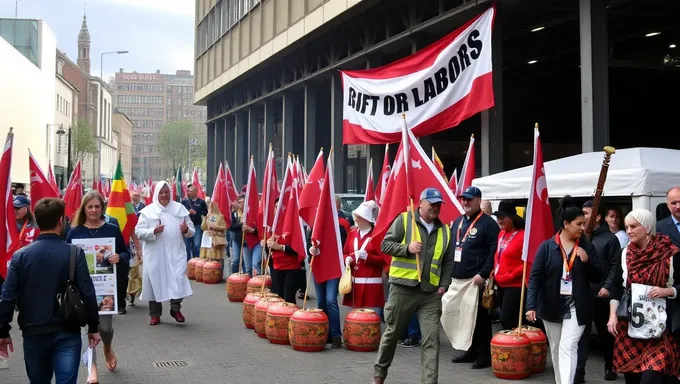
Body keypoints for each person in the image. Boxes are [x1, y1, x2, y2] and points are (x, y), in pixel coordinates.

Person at [0, 198, 101, 384]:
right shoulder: (74, 253)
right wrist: (93, 327)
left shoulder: (20, 256)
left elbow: (7, 297)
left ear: (37, 221)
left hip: (33, 331)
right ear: (61, 221)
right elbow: (88, 292)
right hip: (67, 330)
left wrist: (3, 331)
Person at [373, 188, 454, 384]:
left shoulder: (445, 230)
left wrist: (444, 285)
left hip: (430, 294)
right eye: (432, 203)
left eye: (438, 204)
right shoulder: (404, 220)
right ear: (421, 202)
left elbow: (448, 262)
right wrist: (406, 249)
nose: (435, 207)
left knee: (431, 341)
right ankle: (379, 376)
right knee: (392, 335)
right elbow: (385, 245)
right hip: (402, 289)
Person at [526, 195, 605, 384]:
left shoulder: (586, 246)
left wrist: (587, 262)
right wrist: (531, 305)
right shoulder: (547, 247)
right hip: (551, 306)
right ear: (566, 224)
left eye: (584, 224)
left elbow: (599, 275)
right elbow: (535, 277)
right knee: (556, 347)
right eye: (579, 224)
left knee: (568, 345)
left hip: (577, 306)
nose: (583, 228)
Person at [607, 209, 680, 384]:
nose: (629, 231)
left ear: (647, 227)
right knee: (633, 379)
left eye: (633, 226)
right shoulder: (625, 253)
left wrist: (669, 291)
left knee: (652, 377)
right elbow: (617, 287)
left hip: (661, 329)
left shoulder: (670, 253)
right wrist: (612, 316)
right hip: (631, 328)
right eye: (627, 227)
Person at [67, 191, 129, 383]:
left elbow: (126, 253)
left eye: (97, 206)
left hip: (105, 289)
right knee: (89, 328)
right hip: (81, 290)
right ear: (84, 208)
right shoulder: (75, 232)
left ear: (102, 208)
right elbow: (66, 257)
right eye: (90, 206)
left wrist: (119, 258)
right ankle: (92, 368)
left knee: (105, 328)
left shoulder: (111, 228)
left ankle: (107, 347)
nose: (94, 210)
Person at [449, 186, 499, 369]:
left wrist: (483, 274)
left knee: (479, 319)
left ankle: (485, 354)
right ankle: (470, 350)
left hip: (475, 280)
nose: (465, 202)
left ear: (479, 200)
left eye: (469, 199)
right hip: (458, 279)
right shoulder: (457, 222)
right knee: (465, 318)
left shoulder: (488, 224)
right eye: (463, 199)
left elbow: (493, 252)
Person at [135, 181, 195, 325]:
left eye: (167, 192)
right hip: (156, 255)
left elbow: (191, 230)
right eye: (161, 192)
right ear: (156, 194)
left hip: (176, 253)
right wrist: (153, 231)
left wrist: (186, 230)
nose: (164, 195)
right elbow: (138, 231)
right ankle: (155, 314)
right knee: (155, 280)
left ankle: (175, 308)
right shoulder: (148, 212)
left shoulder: (180, 209)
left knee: (178, 278)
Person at [576, 200, 621, 383]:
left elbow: (615, 267)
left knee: (605, 336)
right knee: (580, 335)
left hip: (602, 295)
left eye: (586, 213)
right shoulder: (581, 237)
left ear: (597, 216)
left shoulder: (610, 239)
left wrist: (607, 286)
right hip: (583, 294)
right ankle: (579, 373)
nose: (583, 217)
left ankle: (610, 367)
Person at [342, 201, 387, 318]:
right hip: (354, 285)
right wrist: (346, 259)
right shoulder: (352, 234)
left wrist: (368, 257)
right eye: (356, 216)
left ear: (367, 219)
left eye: (359, 217)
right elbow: (345, 252)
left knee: (372, 321)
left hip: (372, 287)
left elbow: (385, 259)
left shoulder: (377, 236)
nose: (355, 219)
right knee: (355, 321)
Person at [491, 201, 527, 330]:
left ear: (511, 218)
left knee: (508, 319)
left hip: (515, 285)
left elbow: (527, 263)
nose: (499, 222)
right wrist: (494, 271)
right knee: (506, 319)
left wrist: (511, 275)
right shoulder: (501, 234)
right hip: (500, 283)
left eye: (502, 218)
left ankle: (516, 346)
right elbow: (498, 255)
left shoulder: (523, 236)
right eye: (498, 218)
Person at [181, 184, 208, 260]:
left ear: (196, 192)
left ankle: (196, 260)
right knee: (187, 245)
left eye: (191, 191)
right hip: (187, 227)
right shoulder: (184, 202)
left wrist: (198, 212)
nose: (189, 192)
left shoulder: (201, 202)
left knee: (197, 245)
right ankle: (188, 262)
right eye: (188, 191)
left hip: (197, 225)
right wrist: (187, 212)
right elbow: (180, 212)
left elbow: (206, 213)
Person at [200, 201, 228, 271]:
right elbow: (203, 228)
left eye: (211, 207)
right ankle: (209, 272)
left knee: (217, 257)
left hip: (216, 239)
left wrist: (215, 227)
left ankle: (219, 272)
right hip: (207, 239)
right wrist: (205, 219)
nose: (210, 209)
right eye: (209, 208)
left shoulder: (220, 216)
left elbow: (224, 227)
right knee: (209, 257)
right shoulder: (208, 216)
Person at [229, 196, 245, 274]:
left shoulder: (249, 213)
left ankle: (245, 278)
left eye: (241, 202)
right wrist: (241, 224)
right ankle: (234, 278)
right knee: (236, 260)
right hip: (236, 240)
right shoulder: (234, 213)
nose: (239, 204)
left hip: (246, 241)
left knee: (245, 261)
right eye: (238, 202)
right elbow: (231, 226)